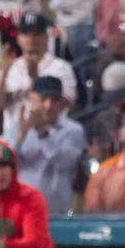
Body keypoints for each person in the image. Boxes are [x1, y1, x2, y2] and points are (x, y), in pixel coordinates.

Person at [0, 13, 77, 141]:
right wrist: (3, 72)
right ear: (18, 38)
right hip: (15, 137)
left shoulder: (61, 68)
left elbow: (69, 106)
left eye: (36, 34)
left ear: (46, 37)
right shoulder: (10, 67)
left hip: (51, 138)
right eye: (26, 34)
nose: (31, 38)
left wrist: (35, 80)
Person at [8, 75, 83, 214]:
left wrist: (42, 132)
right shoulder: (16, 126)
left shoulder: (73, 130)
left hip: (56, 211)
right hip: (21, 210)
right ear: (31, 98)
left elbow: (64, 162)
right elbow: (6, 165)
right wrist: (20, 136)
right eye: (43, 99)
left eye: (54, 100)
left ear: (62, 102)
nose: (48, 106)